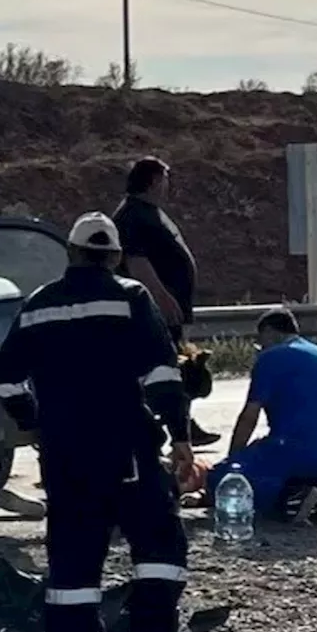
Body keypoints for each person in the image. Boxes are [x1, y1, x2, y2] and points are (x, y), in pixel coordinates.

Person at [0, 211, 194, 632]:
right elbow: (161, 373)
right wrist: (180, 435)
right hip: (123, 449)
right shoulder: (129, 298)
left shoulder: (39, 304)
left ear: (72, 253)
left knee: (73, 559)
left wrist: (33, 423)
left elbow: (4, 378)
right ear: (116, 257)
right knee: (160, 543)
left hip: (64, 457)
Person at [113, 155, 220, 448]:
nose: (168, 186)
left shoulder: (150, 212)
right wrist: (161, 297)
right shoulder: (132, 216)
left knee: (179, 367)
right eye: (165, 179)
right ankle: (168, 428)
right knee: (161, 369)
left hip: (168, 311)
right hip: (153, 311)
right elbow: (136, 262)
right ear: (154, 180)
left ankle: (183, 424)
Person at [203, 307, 317, 523]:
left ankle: (292, 499)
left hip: (295, 449)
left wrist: (233, 459)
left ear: (269, 332)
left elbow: (249, 417)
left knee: (221, 478)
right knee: (270, 463)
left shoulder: (272, 357)